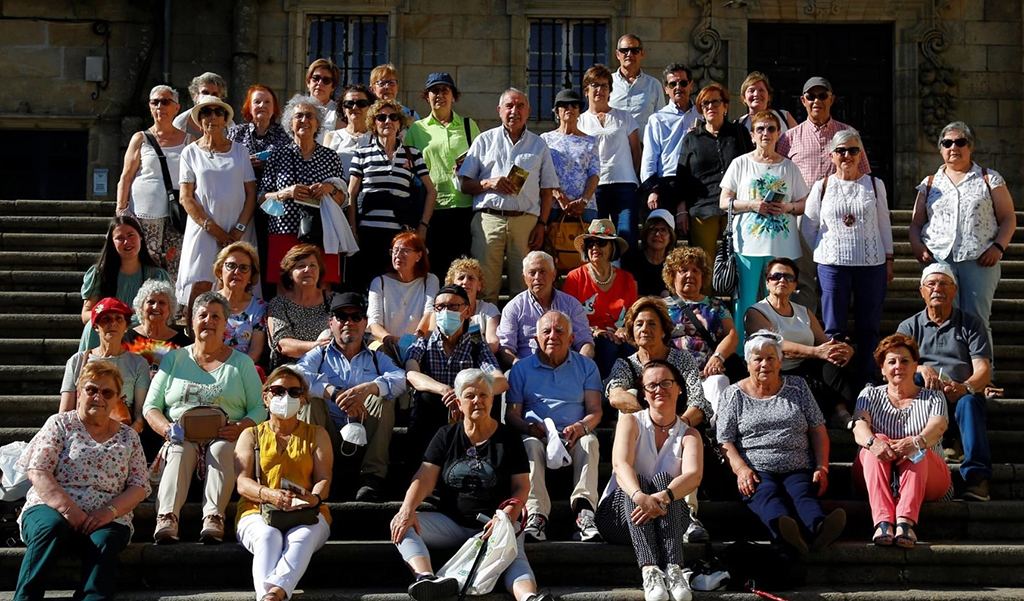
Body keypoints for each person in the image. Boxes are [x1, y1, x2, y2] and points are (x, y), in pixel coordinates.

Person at [390, 369, 554, 601]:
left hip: (497, 521)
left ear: (492, 399)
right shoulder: (445, 435)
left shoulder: (508, 438)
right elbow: (424, 477)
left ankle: (529, 598)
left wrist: (505, 517)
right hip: (452, 523)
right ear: (458, 402)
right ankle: (427, 579)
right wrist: (407, 509)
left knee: (514, 556)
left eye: (483, 395)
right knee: (402, 523)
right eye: (470, 396)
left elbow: (521, 487)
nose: (478, 400)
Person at [13, 361, 150, 601]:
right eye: (91, 389)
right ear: (79, 392)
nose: (99, 397)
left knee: (106, 539)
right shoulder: (60, 424)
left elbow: (139, 486)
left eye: (107, 392)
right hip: (50, 507)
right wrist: (69, 510)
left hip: (107, 515)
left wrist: (109, 512)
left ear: (118, 398)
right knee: (50, 527)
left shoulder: (128, 437)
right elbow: (39, 471)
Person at [144, 292, 266, 544]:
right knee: (178, 450)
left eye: (215, 316)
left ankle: (214, 518)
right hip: (182, 436)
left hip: (225, 437)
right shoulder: (174, 359)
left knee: (221, 448)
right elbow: (151, 407)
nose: (208, 321)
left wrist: (240, 427)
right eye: (202, 315)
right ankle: (166, 518)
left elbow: (259, 408)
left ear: (225, 324)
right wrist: (167, 429)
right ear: (192, 321)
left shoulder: (242, 363)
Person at [717, 330, 846, 555]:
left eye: (770, 358)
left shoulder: (798, 386)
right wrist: (741, 470)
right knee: (766, 493)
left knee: (802, 492)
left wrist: (822, 466)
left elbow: (817, 430)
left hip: (797, 464)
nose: (764, 364)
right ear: (747, 364)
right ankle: (784, 530)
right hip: (756, 468)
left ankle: (820, 528)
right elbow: (724, 440)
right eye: (758, 359)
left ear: (780, 362)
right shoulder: (733, 394)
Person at [595, 360, 702, 601]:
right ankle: (650, 569)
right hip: (619, 517)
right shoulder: (631, 422)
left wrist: (664, 496)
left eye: (666, 383)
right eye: (651, 385)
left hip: (668, 517)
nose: (658, 389)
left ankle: (673, 569)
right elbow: (620, 465)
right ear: (643, 393)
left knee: (666, 482)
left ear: (678, 388)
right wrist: (640, 497)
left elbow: (694, 475)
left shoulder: (690, 434)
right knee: (639, 480)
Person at [909, 121, 1016, 356]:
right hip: (939, 258)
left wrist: (998, 247)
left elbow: (1008, 218)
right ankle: (949, 370)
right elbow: (916, 223)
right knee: (943, 317)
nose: (953, 147)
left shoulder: (989, 178)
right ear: (940, 148)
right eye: (947, 143)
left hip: (979, 258)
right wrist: (917, 246)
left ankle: (983, 373)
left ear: (970, 146)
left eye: (960, 142)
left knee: (977, 318)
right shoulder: (929, 183)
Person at [234, 366, 333, 601]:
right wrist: (269, 495)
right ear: (265, 397)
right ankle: (272, 596)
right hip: (255, 509)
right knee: (268, 537)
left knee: (302, 537)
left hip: (308, 512)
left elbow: (323, 479)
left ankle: (271, 596)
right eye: (278, 391)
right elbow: (242, 482)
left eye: (294, 391)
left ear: (303, 399)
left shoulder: (317, 434)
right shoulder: (251, 434)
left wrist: (313, 498)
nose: (285, 397)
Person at [801, 129, 893, 383]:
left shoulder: (875, 185)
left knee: (869, 327)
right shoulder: (822, 186)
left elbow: (884, 225)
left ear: (860, 154)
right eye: (841, 151)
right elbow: (808, 227)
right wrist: (825, 250)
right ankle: (836, 386)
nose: (847, 156)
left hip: (871, 265)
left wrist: (889, 259)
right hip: (832, 267)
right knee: (834, 329)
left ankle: (867, 380)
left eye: (853, 150)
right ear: (832, 155)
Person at [296, 292, 406, 501]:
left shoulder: (377, 358)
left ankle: (372, 478)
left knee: (383, 398)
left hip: (365, 437)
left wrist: (369, 388)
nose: (349, 322)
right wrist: (332, 392)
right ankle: (315, 474)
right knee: (310, 401)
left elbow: (401, 379)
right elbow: (296, 377)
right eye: (341, 317)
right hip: (327, 437)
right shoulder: (319, 355)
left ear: (365, 323)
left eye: (356, 316)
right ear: (331, 323)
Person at [897, 263, 993, 502]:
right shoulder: (909, 327)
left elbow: (983, 369)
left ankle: (977, 477)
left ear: (954, 290)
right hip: (924, 396)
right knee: (911, 376)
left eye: (943, 284)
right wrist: (921, 368)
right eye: (931, 284)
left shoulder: (971, 323)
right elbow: (895, 366)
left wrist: (965, 387)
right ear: (922, 291)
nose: (937, 289)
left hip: (958, 394)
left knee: (970, 401)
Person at [776, 76, 872, 313]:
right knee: (803, 277)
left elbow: (864, 176)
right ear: (803, 100)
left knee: (837, 275)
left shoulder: (848, 134)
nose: (816, 101)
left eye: (822, 95)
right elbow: (778, 178)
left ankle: (836, 326)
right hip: (802, 216)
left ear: (832, 99)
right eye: (811, 96)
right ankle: (807, 326)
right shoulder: (789, 138)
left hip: (840, 216)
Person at [505, 310, 603, 542]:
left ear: (571, 339)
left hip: (574, 435)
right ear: (536, 338)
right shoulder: (521, 369)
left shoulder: (587, 366)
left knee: (590, 441)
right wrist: (529, 428)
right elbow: (511, 415)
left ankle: (585, 513)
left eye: (560, 331)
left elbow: (595, 411)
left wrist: (580, 427)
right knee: (528, 445)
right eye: (546, 331)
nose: (552, 336)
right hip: (537, 435)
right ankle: (536, 516)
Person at [458, 88, 559, 303]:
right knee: (484, 287)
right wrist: (488, 183)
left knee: (526, 287)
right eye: (509, 106)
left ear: (528, 111)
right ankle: (486, 325)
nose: (515, 111)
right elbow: (464, 184)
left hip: (526, 223)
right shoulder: (484, 140)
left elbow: (547, 190)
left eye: (520, 106)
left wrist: (542, 224)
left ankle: (524, 325)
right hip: (489, 220)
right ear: (499, 110)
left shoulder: (539, 145)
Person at [850, 334, 951, 548]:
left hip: (929, 477)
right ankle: (883, 523)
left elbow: (938, 427)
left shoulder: (934, 397)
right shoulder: (869, 394)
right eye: (891, 362)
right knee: (876, 440)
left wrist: (916, 442)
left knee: (917, 448)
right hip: (877, 473)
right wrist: (874, 443)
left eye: (905, 360)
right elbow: (859, 427)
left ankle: (905, 523)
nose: (898, 366)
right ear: (882, 369)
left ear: (915, 365)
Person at [719, 110, 809, 349]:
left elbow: (804, 204)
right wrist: (751, 204)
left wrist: (788, 207)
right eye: (760, 129)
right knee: (746, 299)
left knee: (779, 298)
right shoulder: (741, 163)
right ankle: (741, 351)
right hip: (748, 244)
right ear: (752, 135)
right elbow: (724, 201)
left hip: (782, 245)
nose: (765, 133)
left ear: (779, 134)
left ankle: (776, 349)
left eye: (771, 129)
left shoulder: (789, 167)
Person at [405, 284, 507, 471]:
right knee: (427, 397)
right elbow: (411, 373)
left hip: (466, 416)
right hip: (432, 416)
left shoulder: (477, 346)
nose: (445, 312)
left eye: (453, 306)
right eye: (440, 307)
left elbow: (500, 381)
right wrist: (444, 390)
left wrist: (464, 396)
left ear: (467, 311)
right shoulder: (424, 343)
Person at [744, 258, 858, 423]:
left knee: (837, 359)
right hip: (778, 369)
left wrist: (846, 350)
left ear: (795, 285)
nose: (782, 280)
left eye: (788, 277)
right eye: (776, 276)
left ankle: (844, 412)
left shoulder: (804, 312)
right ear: (767, 283)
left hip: (807, 366)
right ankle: (838, 413)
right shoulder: (756, 312)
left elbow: (825, 344)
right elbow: (774, 345)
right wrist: (816, 352)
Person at [177, 94, 258, 313]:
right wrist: (213, 229)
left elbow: (251, 193)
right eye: (206, 112)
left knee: (237, 283)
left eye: (218, 112)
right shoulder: (189, 153)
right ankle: (194, 332)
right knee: (201, 284)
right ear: (199, 120)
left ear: (225, 120)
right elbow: (186, 197)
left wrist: (239, 229)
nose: (212, 116)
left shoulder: (240, 151)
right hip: (203, 229)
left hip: (237, 229)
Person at [259, 94, 349, 288]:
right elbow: (261, 198)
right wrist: (285, 193)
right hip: (284, 229)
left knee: (321, 287)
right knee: (285, 288)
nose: (304, 120)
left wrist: (329, 189)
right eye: (298, 116)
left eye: (309, 116)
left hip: (323, 232)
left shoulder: (330, 156)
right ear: (290, 124)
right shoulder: (277, 156)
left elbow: (344, 200)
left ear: (317, 124)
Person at [347, 99, 436, 289]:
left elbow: (431, 191)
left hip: (399, 235)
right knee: (367, 284)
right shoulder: (362, 153)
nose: (388, 121)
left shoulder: (413, 154)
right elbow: (351, 194)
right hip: (368, 233)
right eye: (381, 117)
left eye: (393, 117)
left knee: (396, 284)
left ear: (399, 123)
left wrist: (423, 227)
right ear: (374, 124)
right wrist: (352, 230)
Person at [405, 72, 483, 279]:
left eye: (444, 90)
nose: (439, 95)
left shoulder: (468, 126)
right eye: (434, 91)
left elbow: (481, 162)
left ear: (453, 96)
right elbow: (409, 168)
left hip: (464, 207)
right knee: (436, 269)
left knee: (462, 270)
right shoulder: (416, 129)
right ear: (427, 97)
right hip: (433, 209)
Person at [114, 84, 188, 286]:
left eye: (166, 101)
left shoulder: (189, 140)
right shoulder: (140, 138)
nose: (160, 106)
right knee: (148, 257)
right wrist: (121, 208)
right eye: (155, 102)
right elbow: (126, 176)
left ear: (176, 107)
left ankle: (173, 302)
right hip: (145, 210)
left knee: (177, 259)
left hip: (178, 211)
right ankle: (144, 299)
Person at [677, 83, 754, 273]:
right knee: (704, 266)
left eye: (715, 102)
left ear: (725, 106)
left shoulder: (739, 133)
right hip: (702, 209)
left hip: (737, 208)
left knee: (741, 264)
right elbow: (682, 177)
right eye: (705, 104)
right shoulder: (692, 139)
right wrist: (681, 210)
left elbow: (752, 166)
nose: (710, 106)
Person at [661, 246, 740, 416]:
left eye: (696, 271)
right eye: (683, 270)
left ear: (702, 277)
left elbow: (732, 335)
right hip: (670, 378)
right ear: (672, 276)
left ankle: (720, 429)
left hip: (707, 374)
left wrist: (718, 357)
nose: (690, 275)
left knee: (719, 381)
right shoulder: (660, 306)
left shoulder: (716, 305)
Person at [79, 216, 170, 351]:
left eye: (131, 235)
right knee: (91, 327)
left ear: (141, 237)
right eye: (120, 238)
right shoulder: (99, 273)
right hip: (109, 328)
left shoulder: (157, 275)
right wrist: (110, 317)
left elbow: (166, 313)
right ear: (112, 242)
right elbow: (86, 314)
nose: (127, 242)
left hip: (142, 329)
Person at [60, 298, 150, 434]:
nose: (112, 323)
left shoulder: (138, 363)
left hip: (122, 435)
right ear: (96, 326)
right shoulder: (77, 361)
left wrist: (126, 437)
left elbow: (140, 414)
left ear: (126, 327)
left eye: (118, 319)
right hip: (82, 435)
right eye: (105, 319)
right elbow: (65, 412)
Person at [562, 219, 638, 378]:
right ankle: (603, 390)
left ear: (613, 247)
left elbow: (633, 315)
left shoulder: (627, 279)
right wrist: (595, 331)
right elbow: (568, 317)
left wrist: (624, 329)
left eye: (601, 243)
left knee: (630, 346)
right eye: (590, 243)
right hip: (587, 336)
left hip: (620, 336)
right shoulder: (575, 278)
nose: (594, 248)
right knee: (607, 346)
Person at [577, 64, 642, 252]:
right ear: (586, 90)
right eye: (595, 85)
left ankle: (627, 271)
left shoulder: (625, 117)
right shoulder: (580, 121)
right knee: (598, 241)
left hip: (624, 184)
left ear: (610, 90)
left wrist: (631, 174)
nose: (600, 90)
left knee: (627, 237)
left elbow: (636, 151)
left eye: (604, 85)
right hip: (595, 188)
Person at [497, 251, 595, 366]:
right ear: (524, 278)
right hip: (528, 369)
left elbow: (585, 342)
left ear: (554, 275)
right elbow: (505, 348)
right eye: (532, 273)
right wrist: (521, 368)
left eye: (543, 271)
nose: (537, 277)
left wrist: (579, 367)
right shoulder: (514, 308)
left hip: (567, 369)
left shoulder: (572, 305)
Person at [367, 232, 440, 359]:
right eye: (395, 250)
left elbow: (430, 313)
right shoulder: (379, 282)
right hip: (384, 343)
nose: (398, 255)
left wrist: (416, 338)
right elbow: (374, 323)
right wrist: (388, 338)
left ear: (419, 256)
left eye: (405, 251)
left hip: (418, 342)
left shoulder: (429, 280)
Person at [640, 64, 699, 216]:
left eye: (683, 83)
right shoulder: (657, 119)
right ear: (666, 89)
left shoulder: (701, 116)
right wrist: (653, 190)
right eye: (673, 84)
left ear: (691, 85)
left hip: (697, 182)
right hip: (668, 183)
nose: (678, 87)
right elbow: (649, 158)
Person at [267, 244, 338, 369]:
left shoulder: (334, 300)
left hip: (328, 366)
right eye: (301, 266)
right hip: (290, 369)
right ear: (290, 273)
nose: (307, 270)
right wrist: (315, 347)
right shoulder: (279, 304)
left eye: (313, 265)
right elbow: (282, 344)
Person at [540, 89, 600, 224]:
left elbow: (594, 174)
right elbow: (543, 173)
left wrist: (584, 200)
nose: (570, 108)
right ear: (557, 111)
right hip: (553, 205)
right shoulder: (545, 139)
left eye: (574, 105)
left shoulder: (590, 141)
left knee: (587, 238)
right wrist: (560, 197)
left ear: (579, 111)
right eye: (564, 105)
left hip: (585, 207)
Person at [214, 242, 267, 365]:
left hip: (242, 368)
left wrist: (234, 370)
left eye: (243, 268)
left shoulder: (259, 307)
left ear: (251, 276)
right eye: (231, 266)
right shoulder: (206, 302)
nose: (236, 271)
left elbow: (255, 351)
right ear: (220, 270)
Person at [126, 279, 191, 375]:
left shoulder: (183, 344)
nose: (156, 307)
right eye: (151, 302)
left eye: (162, 303)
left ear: (170, 309)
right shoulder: (126, 339)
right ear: (141, 307)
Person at [608, 34, 665, 132]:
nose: (629, 54)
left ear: (642, 54)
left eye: (635, 51)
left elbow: (661, 120)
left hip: (643, 141)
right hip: (614, 142)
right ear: (617, 54)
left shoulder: (654, 85)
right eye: (624, 51)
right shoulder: (607, 82)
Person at [227, 84, 290, 172]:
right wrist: (244, 162)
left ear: (274, 108)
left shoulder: (285, 134)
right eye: (257, 102)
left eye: (267, 102)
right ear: (249, 107)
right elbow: (226, 161)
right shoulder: (237, 132)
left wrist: (269, 164)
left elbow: (291, 162)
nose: (262, 105)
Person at [323, 84, 375, 180]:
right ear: (343, 109)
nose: (355, 107)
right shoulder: (331, 136)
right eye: (349, 104)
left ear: (370, 108)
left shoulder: (378, 138)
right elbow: (323, 169)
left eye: (361, 103)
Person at [621, 210, 676, 297]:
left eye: (663, 230)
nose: (657, 234)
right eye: (653, 229)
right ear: (646, 233)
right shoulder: (631, 260)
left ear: (670, 237)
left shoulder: (675, 265)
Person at [173, 72, 235, 138]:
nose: (209, 97)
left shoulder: (229, 125)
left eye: (214, 94)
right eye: (205, 93)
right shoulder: (180, 123)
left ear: (221, 98)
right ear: (195, 96)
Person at [305, 58, 342, 140]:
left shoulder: (338, 112)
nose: (320, 83)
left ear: (333, 87)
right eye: (316, 78)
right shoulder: (296, 109)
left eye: (326, 80)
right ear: (308, 82)